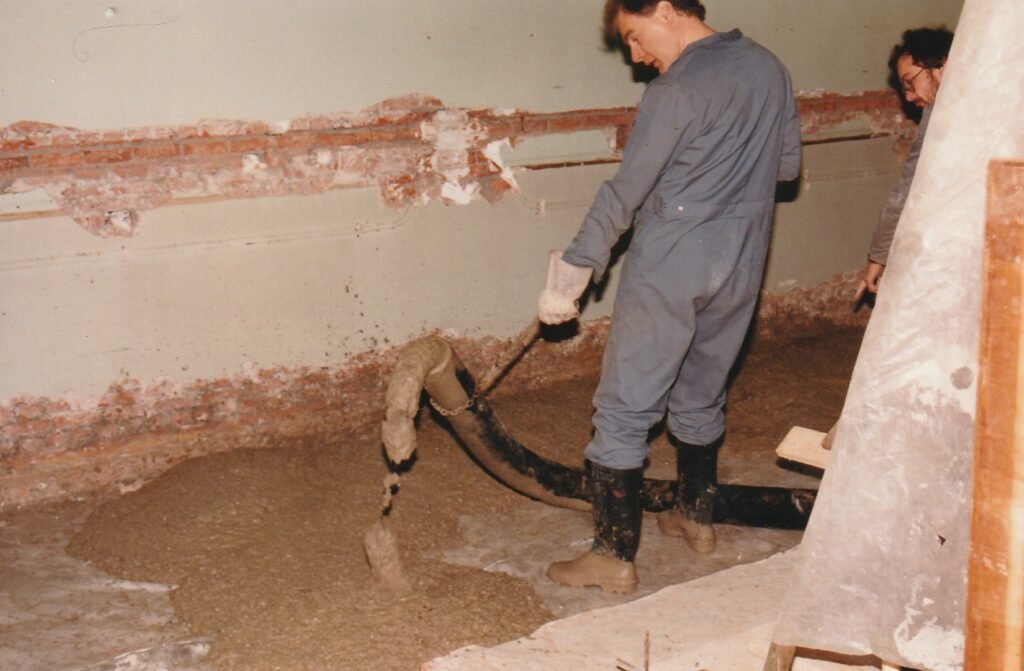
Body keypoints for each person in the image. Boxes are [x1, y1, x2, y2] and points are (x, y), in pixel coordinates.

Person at [536, 0, 801, 593]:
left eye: (634, 37)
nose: (636, 56)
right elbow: (785, 168)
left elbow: (625, 191)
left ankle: (611, 555)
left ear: (661, 9)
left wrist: (575, 268)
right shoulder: (769, 67)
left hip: (673, 261)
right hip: (742, 258)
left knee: (625, 407)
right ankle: (697, 518)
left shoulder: (675, 90)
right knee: (703, 391)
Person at [854, 27, 954, 301]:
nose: (908, 97)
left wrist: (878, 256)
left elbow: (906, 189)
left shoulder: (942, 115)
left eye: (910, 83)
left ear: (941, 66)